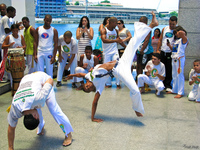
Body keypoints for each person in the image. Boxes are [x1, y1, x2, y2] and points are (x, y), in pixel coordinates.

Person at [66, 12, 158, 122]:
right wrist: (93, 118)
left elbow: (80, 74)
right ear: (91, 89)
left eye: (86, 85)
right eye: (87, 88)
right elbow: (95, 102)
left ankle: (152, 25)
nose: (87, 85)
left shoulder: (89, 76)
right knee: (135, 90)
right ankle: (137, 108)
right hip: (119, 70)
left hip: (121, 61)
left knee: (133, 44)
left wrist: (72, 75)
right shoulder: (99, 87)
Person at [7, 72, 73, 149]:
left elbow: (50, 80)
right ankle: (41, 126)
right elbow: (10, 128)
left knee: (54, 110)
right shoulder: (15, 107)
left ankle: (68, 134)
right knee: (35, 106)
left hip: (43, 79)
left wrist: (45, 87)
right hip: (27, 79)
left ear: (35, 116)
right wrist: (10, 148)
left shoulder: (39, 99)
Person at [101, 17, 125, 88]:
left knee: (117, 66)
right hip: (106, 53)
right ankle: (108, 83)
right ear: (111, 23)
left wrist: (126, 47)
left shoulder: (116, 31)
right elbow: (104, 40)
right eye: (116, 23)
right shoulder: (104, 30)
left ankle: (118, 83)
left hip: (114, 51)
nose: (117, 25)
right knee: (107, 68)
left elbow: (119, 40)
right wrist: (115, 40)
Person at [156, 16, 178, 92]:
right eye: (170, 23)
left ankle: (168, 85)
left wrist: (172, 48)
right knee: (162, 68)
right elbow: (160, 40)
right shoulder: (164, 29)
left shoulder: (177, 31)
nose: (171, 25)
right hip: (163, 51)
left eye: (173, 24)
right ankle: (161, 83)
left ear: (176, 23)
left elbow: (177, 43)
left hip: (170, 53)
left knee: (169, 69)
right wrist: (157, 50)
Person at [166, 26, 188, 98]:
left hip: (179, 59)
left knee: (179, 75)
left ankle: (180, 92)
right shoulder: (177, 41)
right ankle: (175, 89)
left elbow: (183, 34)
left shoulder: (183, 39)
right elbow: (174, 50)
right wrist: (169, 45)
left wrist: (180, 32)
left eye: (176, 33)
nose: (176, 34)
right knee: (174, 75)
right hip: (174, 58)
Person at [0, 6, 16, 82]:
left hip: (4, 41)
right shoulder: (6, 18)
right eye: (14, 12)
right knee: (4, 60)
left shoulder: (6, 19)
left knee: (5, 59)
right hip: (4, 41)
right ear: (10, 11)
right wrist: (15, 28)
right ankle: (1, 76)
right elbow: (7, 31)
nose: (14, 14)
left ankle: (4, 76)